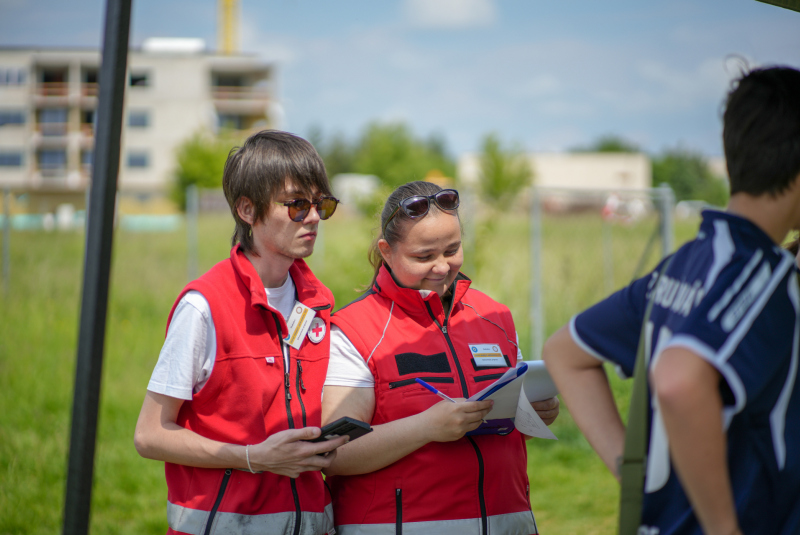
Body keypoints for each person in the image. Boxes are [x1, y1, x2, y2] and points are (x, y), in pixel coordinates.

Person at [542, 66, 800, 535]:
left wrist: (634, 475)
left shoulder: (685, 262)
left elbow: (564, 351)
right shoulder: (763, 277)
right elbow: (679, 380)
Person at [134, 130, 348, 535]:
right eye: (297, 204)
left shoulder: (319, 303)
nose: (315, 217)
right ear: (247, 210)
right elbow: (149, 435)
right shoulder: (204, 306)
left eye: (322, 203)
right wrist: (253, 457)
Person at [321, 181, 560, 535]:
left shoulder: (494, 317)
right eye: (424, 256)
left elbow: (510, 413)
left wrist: (536, 411)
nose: (441, 267)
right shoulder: (354, 330)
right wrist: (426, 427)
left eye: (452, 249)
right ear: (386, 252)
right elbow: (335, 454)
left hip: (508, 521)